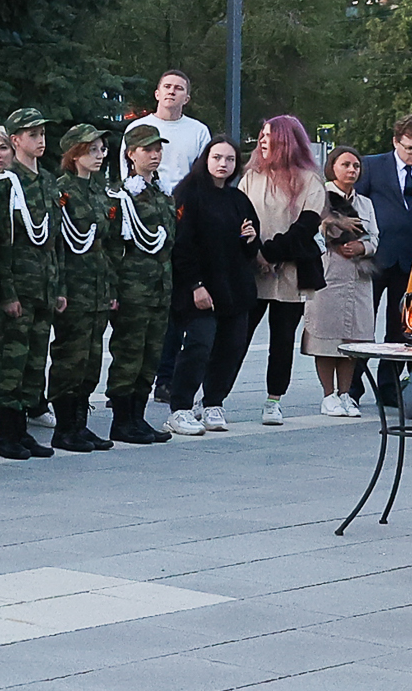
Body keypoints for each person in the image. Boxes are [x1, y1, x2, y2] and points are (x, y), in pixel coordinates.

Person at [164, 136, 260, 435]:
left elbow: (249, 243)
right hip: (200, 288)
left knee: (231, 348)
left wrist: (250, 238)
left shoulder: (237, 198)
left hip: (235, 287)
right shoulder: (189, 194)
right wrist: (195, 284)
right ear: (206, 159)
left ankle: (213, 402)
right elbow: (181, 245)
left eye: (230, 159)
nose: (223, 164)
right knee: (199, 345)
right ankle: (180, 407)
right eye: (217, 157)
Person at [237, 114, 327, 426]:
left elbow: (305, 227)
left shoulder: (309, 181)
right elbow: (241, 219)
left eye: (269, 135)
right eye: (261, 135)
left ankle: (274, 399)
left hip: (290, 271)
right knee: (238, 335)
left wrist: (270, 253)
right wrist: (255, 254)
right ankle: (213, 397)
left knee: (282, 338)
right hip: (252, 269)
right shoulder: (251, 177)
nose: (263, 141)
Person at [0, 107, 61, 459]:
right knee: (12, 361)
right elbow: (1, 241)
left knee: (35, 362)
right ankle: (6, 433)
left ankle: (22, 430)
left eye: (42, 133)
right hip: (18, 286)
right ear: (15, 140)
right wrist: (7, 291)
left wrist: (58, 287)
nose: (40, 140)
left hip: (43, 286)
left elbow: (53, 238)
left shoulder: (46, 180)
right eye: (32, 134)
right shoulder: (5, 182)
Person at [357, 115, 412, 402]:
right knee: (362, 326)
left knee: (400, 329)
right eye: (409, 149)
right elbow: (356, 205)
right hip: (375, 257)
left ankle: (390, 388)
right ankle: (352, 388)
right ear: (396, 142)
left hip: (410, 261)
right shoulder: (372, 166)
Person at [105, 121, 177, 443]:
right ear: (130, 154)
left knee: (151, 354)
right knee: (129, 353)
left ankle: (139, 417)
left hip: (159, 288)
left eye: (158, 149)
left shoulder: (162, 192)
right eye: (147, 149)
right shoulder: (121, 195)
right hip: (133, 288)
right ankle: (122, 420)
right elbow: (113, 246)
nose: (155, 155)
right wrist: (114, 290)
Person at [46, 123, 116, 451]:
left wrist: (112, 288)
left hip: (99, 287)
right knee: (69, 356)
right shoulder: (61, 190)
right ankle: (64, 427)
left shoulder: (100, 190)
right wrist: (59, 288)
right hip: (74, 287)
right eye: (92, 150)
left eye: (102, 149)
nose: (100, 155)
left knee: (91, 359)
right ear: (75, 154)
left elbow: (109, 243)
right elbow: (57, 244)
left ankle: (80, 424)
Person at [305, 143, 380, 417]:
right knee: (326, 337)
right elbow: (309, 231)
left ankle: (346, 393)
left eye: (356, 166)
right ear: (332, 166)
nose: (351, 170)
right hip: (328, 272)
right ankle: (328, 395)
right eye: (345, 165)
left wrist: (363, 248)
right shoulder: (319, 197)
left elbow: (375, 237)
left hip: (358, 276)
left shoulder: (365, 203)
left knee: (353, 340)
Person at [141, 70, 208, 191]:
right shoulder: (139, 127)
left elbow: (204, 172)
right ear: (157, 94)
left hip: (187, 201)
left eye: (179, 88)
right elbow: (127, 166)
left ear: (186, 99)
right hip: (146, 200)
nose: (171, 92)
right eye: (167, 87)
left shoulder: (199, 131)